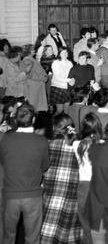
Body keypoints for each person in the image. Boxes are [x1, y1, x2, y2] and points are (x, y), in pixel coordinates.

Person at [0, 103, 49, 244]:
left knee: (7, 237)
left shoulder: (6, 139)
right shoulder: (41, 141)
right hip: (33, 195)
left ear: (15, 120)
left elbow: (2, 161)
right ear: (33, 120)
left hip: (10, 195)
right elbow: (45, 166)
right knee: (32, 238)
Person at [41, 113, 81, 244]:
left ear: (54, 127)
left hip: (51, 192)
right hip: (73, 193)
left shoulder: (47, 144)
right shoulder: (80, 146)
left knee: (48, 231)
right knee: (70, 233)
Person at [73, 113, 103, 244]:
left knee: (85, 227)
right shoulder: (103, 145)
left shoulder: (76, 144)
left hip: (83, 186)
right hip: (99, 186)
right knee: (100, 228)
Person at [21, 44, 49, 112]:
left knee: (36, 109)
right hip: (33, 88)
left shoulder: (32, 59)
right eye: (33, 49)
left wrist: (45, 75)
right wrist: (42, 77)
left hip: (37, 87)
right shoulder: (27, 60)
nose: (34, 50)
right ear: (29, 51)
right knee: (32, 109)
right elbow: (29, 74)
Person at [49, 47, 74, 115]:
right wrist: (68, 80)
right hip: (58, 87)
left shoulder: (70, 63)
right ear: (59, 54)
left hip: (67, 88)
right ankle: (54, 124)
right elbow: (57, 77)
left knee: (67, 110)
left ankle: (66, 125)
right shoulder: (56, 63)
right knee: (60, 110)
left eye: (66, 52)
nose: (64, 54)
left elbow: (72, 74)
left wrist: (73, 81)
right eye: (62, 53)